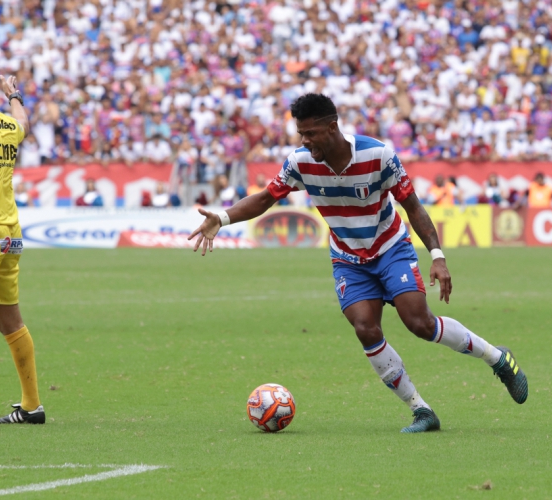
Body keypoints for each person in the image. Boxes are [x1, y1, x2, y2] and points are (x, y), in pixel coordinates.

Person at [188, 94, 528, 433]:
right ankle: (420, 410)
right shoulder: (299, 163)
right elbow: (265, 198)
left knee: (420, 323)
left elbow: (413, 206)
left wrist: (437, 256)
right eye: (300, 134)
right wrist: (222, 216)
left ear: (332, 126)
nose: (304, 142)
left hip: (391, 248)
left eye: (310, 133)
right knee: (366, 328)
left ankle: (497, 359)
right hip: (348, 260)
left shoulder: (378, 154)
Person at [0, 75, 45, 424]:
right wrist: (14, 94)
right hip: (10, 234)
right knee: (9, 319)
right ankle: (31, 407)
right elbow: (24, 122)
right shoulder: (8, 127)